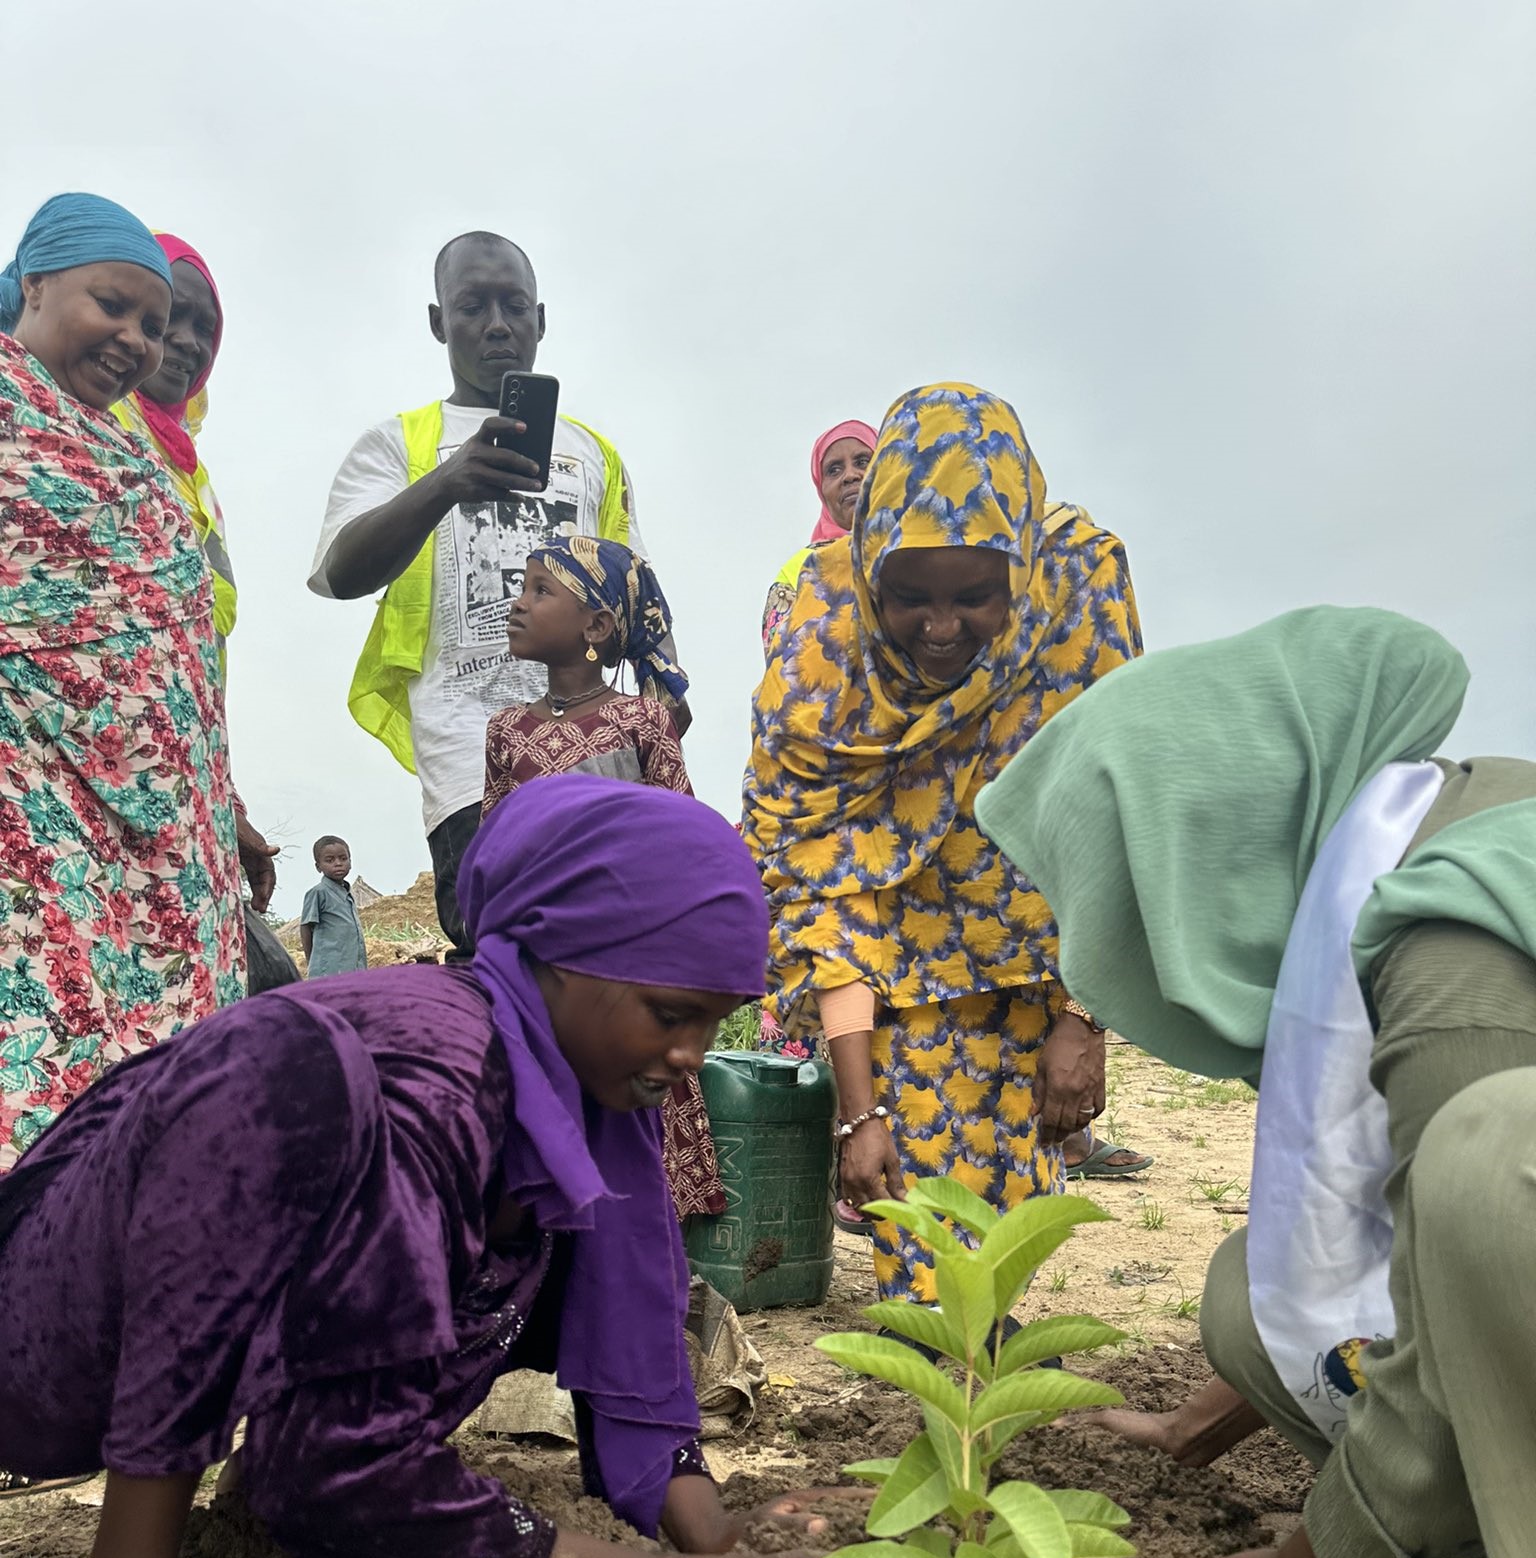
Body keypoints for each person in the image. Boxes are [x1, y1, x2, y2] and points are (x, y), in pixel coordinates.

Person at [0, 777, 849, 1558]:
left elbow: (627, 1308)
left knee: (582, 1229)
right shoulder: (434, 1069)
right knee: (286, 1074)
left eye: (713, 1023)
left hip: (171, 1322)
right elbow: (336, 1468)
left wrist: (695, 1520)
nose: (690, 1058)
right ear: (549, 956)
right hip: (43, 1328)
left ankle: (282, 1463)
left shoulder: (563, 1082)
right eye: (671, 1015)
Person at [975, 605, 1536, 1558]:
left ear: (1206, 850)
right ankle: (1445, 1528)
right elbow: (1368, 1266)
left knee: (1486, 1170)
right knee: (1249, 1302)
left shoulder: (1459, 966)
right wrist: (1203, 1420)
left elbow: (1468, 1290)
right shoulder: (1401, 867)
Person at [741, 383, 1143, 1303]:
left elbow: (1113, 804)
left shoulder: (1077, 599)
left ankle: (978, 1428)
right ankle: (952, 1432)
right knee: (920, 1260)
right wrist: (857, 1113)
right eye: (908, 595)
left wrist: (1086, 1018)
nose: (940, 629)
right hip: (895, 995)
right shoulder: (822, 643)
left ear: (1023, 572)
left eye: (976, 597)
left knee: (1008, 1248)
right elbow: (817, 875)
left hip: (1037, 975)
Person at [309, 231, 684, 957]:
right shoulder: (400, 444)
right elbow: (340, 572)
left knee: (608, 947)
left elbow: (634, 583)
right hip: (469, 746)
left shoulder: (593, 452)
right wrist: (447, 483)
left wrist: (665, 686)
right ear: (437, 322)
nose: (497, 324)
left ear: (541, 320)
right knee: (504, 940)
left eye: (514, 306)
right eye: (472, 306)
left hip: (593, 738)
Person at [0, 194, 244, 1173]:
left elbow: (165, 665)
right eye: (118, 305)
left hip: (166, 854)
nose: (141, 341)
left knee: (153, 1115)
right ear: (36, 282)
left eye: (158, 323)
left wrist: (221, 805)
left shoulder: (128, 455)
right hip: (39, 832)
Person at [482, 537, 725, 1224]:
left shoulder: (640, 719)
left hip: (631, 957)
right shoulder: (507, 731)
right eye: (521, 587)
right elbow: (496, 854)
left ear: (595, 628)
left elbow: (682, 837)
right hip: (543, 968)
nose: (518, 605)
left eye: (538, 591)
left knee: (632, 1125)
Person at [109, 231, 287, 980]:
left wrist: (226, 798)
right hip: (93, 767)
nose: (181, 343)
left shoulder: (196, 479)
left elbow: (198, 659)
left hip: (182, 776)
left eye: (200, 331)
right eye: (164, 320)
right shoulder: (84, 423)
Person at [761, 419, 878, 658]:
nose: (850, 476)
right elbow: (782, 669)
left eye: (863, 462)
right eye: (834, 469)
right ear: (821, 489)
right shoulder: (798, 570)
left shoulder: (918, 547)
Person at [300, 836, 368, 978]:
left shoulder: (348, 894)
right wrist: (312, 961)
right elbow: (306, 927)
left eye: (343, 859)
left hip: (354, 970)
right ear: (318, 866)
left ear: (351, 862)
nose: (338, 864)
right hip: (328, 971)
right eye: (329, 860)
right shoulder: (318, 893)